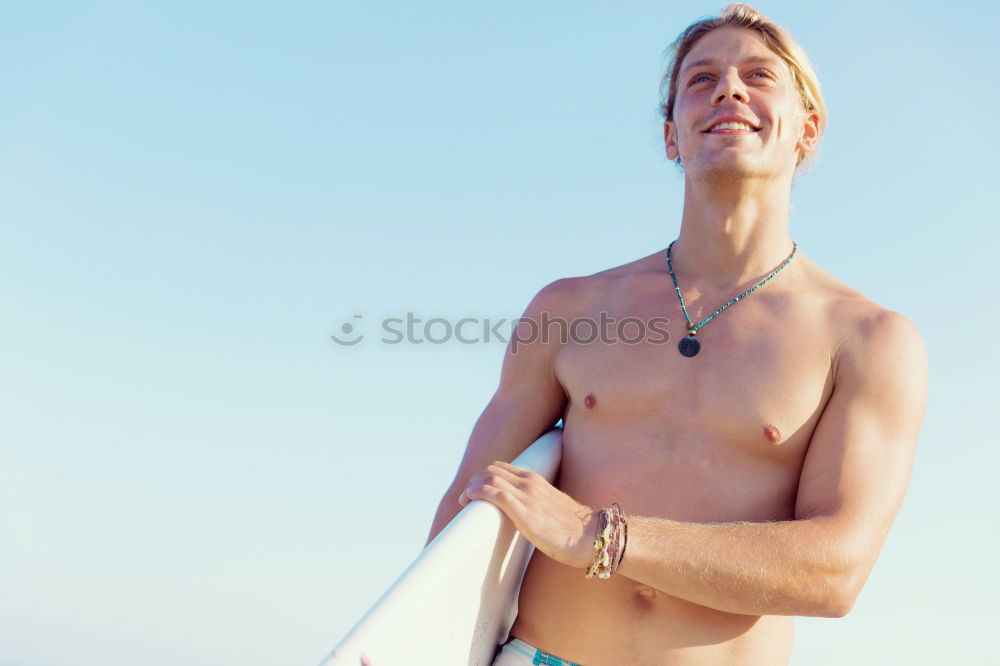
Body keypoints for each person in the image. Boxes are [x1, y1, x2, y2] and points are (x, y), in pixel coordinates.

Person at [424, 4, 928, 665]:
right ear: (671, 136)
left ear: (807, 129)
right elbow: (463, 515)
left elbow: (835, 572)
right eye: (701, 79)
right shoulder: (569, 309)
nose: (729, 90)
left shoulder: (867, 339)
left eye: (759, 74)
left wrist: (598, 535)